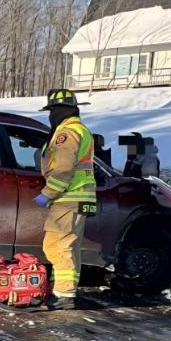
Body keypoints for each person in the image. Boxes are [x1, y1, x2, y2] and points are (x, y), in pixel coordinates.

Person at [33, 89, 96, 310]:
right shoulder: (79, 130)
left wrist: (47, 194)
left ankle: (63, 295)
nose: (51, 115)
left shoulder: (66, 133)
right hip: (79, 198)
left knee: (56, 246)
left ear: (61, 111)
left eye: (53, 111)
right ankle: (66, 291)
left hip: (67, 198)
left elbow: (62, 170)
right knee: (70, 247)